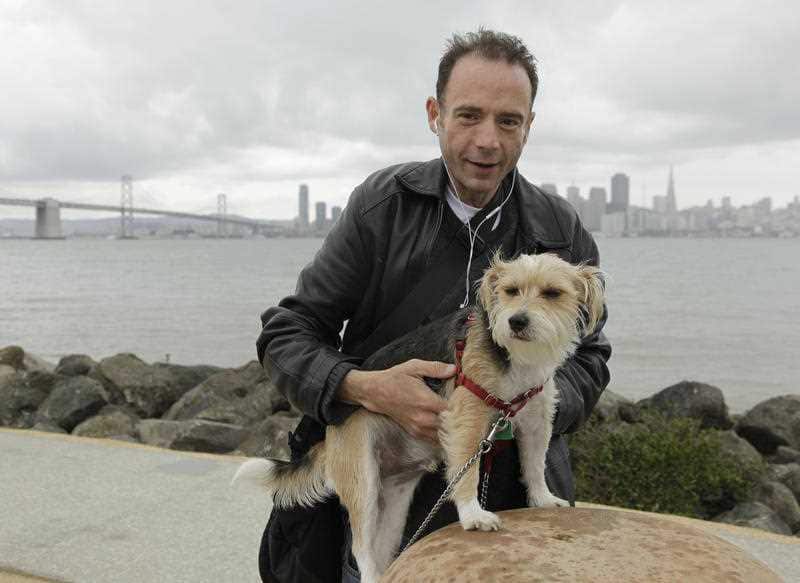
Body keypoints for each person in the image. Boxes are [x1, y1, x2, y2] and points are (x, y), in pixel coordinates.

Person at [256, 29, 611, 583]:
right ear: (434, 114)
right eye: (468, 115)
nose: (487, 140)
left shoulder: (560, 228)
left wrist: (517, 413)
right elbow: (287, 333)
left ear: (529, 126)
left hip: (511, 506)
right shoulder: (382, 206)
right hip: (384, 493)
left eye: (509, 121)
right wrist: (362, 387)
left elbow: (591, 356)